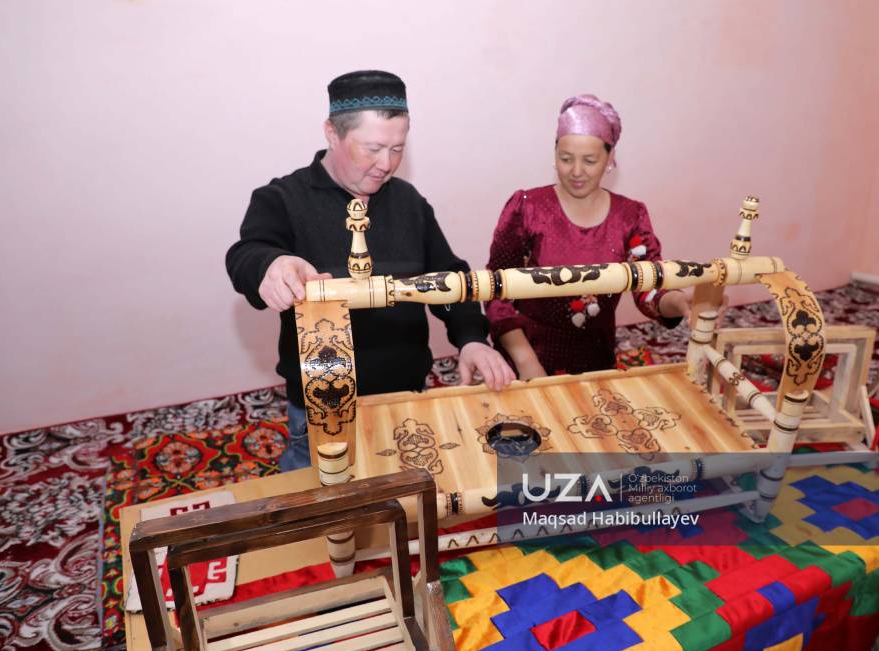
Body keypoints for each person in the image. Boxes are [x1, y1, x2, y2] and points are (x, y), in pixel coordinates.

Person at [226, 70, 514, 471]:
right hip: (320, 411)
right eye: (373, 148)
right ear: (332, 133)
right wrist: (271, 264)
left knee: (408, 499)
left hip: (406, 397)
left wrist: (471, 338)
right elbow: (245, 254)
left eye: (398, 149)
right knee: (318, 504)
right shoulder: (282, 199)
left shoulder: (408, 202)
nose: (386, 164)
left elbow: (448, 275)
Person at [485, 94, 690, 378]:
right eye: (566, 159)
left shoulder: (630, 216)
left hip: (596, 358)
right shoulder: (527, 208)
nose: (576, 172)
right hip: (527, 355)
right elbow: (495, 290)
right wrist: (526, 362)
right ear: (555, 154)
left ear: (610, 158)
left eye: (590, 161)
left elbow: (649, 287)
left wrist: (681, 303)